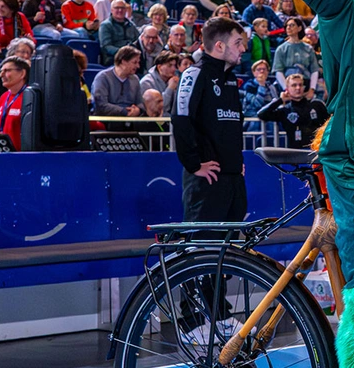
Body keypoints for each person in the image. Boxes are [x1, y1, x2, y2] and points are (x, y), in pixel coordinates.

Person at [172, 16, 248, 221]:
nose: (243, 49)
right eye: (238, 43)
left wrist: (235, 162)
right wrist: (194, 165)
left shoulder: (231, 78)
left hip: (233, 179)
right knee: (204, 248)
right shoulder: (194, 74)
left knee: (230, 249)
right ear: (220, 46)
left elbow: (232, 123)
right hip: (207, 180)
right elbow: (181, 119)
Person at [257, 70, 328, 148]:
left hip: (316, 150)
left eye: (300, 85)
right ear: (287, 89)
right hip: (294, 153)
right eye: (294, 85)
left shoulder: (317, 105)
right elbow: (261, 114)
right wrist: (280, 100)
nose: (298, 88)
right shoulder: (285, 110)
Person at [92, 45, 145, 117]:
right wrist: (124, 111)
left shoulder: (135, 79)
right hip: (108, 120)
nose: (138, 66)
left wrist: (138, 110)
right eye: (135, 62)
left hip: (131, 119)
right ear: (123, 61)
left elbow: (140, 103)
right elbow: (101, 105)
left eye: (138, 62)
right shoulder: (103, 77)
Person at [272, 16, 320, 92]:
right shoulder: (281, 49)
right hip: (288, 84)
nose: (288, 28)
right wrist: (286, 89)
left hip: (305, 84)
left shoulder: (308, 48)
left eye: (292, 25)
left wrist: (312, 89)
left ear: (299, 28)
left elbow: (314, 70)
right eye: (287, 26)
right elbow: (278, 71)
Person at [0, 55, 30, 150]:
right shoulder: (4, 97)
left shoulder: (30, 96)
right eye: (1, 71)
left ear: (22, 73)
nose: (1, 75)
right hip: (2, 155)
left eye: (7, 70)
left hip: (22, 157)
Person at [98, 0, 141, 65]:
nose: (120, 10)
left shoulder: (131, 25)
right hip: (114, 58)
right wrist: (123, 52)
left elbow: (139, 41)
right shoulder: (105, 25)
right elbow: (106, 47)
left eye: (122, 8)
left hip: (132, 57)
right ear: (112, 10)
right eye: (117, 8)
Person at [139, 50, 180, 115]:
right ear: (159, 67)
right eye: (170, 66)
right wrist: (170, 88)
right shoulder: (146, 82)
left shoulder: (174, 80)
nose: (174, 69)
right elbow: (159, 108)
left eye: (174, 66)